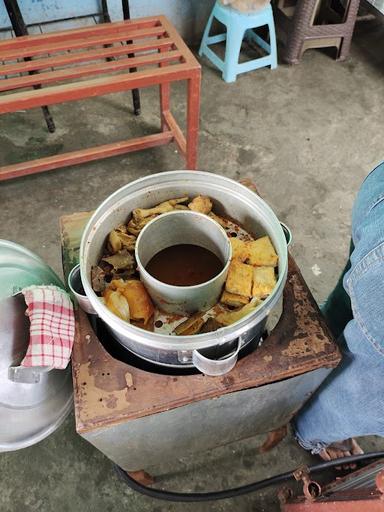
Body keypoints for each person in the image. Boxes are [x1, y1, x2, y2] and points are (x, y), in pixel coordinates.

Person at [293, 161, 384, 462]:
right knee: (366, 392)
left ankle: (312, 352)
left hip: (379, 196)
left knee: (350, 295)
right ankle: (310, 430)